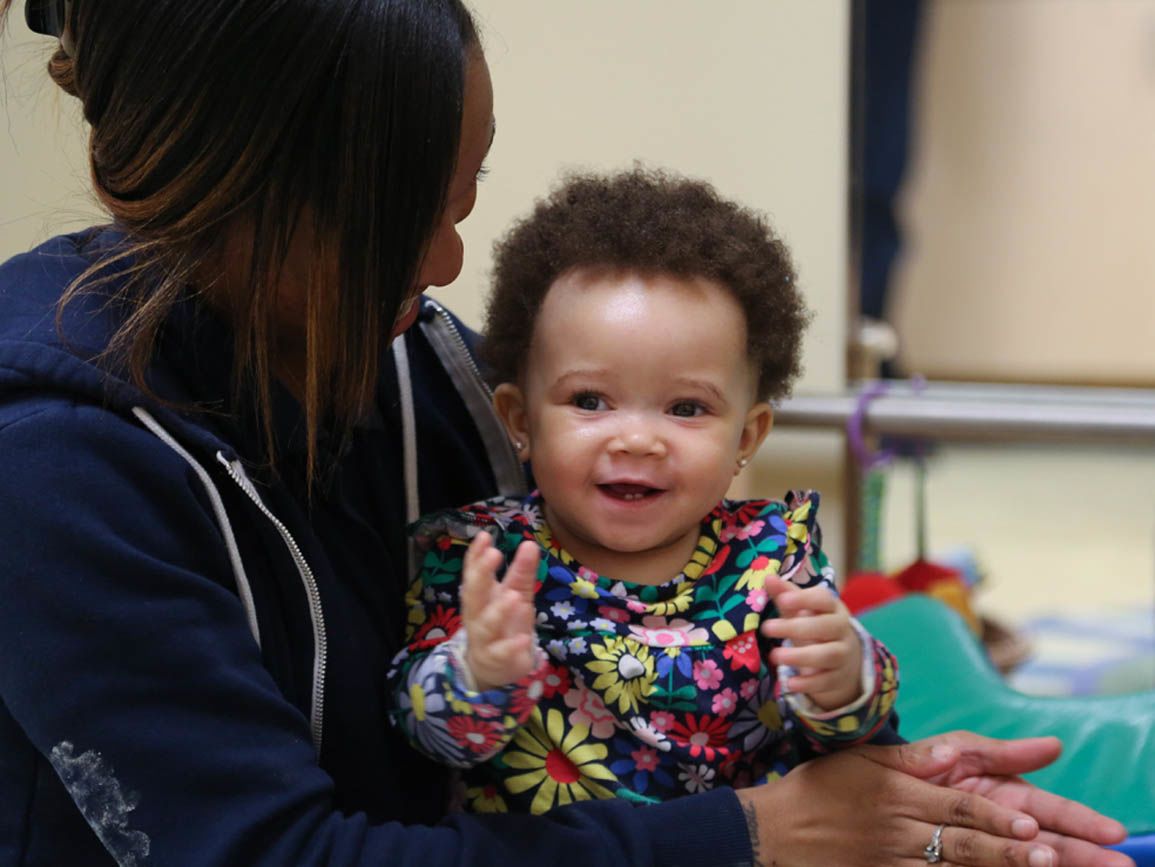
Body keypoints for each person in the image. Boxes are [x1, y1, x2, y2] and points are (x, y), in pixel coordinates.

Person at [0, 0, 1133, 865]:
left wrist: (880, 786)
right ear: (222, 192)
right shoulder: (55, 467)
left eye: (464, 199)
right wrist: (759, 834)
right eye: (401, 220)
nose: (446, 267)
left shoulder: (417, 358)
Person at [386, 169, 904, 812]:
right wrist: (479, 674)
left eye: (686, 408)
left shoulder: (772, 555)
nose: (636, 440)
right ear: (521, 421)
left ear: (748, 435)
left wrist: (846, 677)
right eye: (590, 400)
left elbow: (849, 735)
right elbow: (429, 739)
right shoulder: (484, 560)